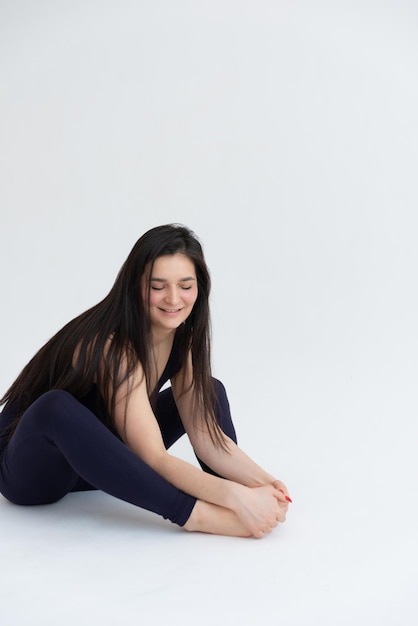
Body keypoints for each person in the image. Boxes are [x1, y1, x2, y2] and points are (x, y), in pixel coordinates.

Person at [0, 224, 291, 538]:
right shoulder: (111, 345)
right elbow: (153, 457)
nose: (173, 298)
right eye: (158, 286)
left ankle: (240, 499)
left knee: (210, 390)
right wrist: (233, 499)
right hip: (32, 473)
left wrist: (265, 485)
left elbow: (209, 440)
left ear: (199, 288)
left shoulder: (184, 336)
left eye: (185, 285)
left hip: (99, 467)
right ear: (136, 287)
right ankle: (205, 516)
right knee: (56, 407)